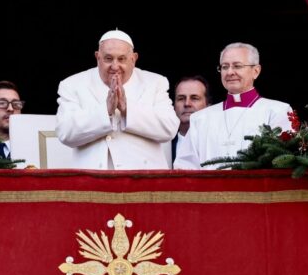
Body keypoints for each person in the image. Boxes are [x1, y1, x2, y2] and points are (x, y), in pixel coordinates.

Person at [56, 29, 179, 170]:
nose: (115, 66)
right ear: (98, 57)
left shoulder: (155, 82)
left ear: (133, 59)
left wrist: (127, 109)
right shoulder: (73, 84)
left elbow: (169, 128)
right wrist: (106, 110)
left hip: (144, 178)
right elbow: (65, 132)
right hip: (92, 178)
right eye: (108, 58)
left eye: (122, 59)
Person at [174, 42, 292, 170]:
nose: (230, 72)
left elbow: (283, 162)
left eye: (237, 66)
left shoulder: (277, 111)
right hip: (209, 189)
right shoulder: (200, 118)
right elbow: (185, 167)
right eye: (224, 67)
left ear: (256, 71)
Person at [172, 75, 211, 161]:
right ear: (174, 107)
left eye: (194, 98)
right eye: (181, 98)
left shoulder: (218, 142)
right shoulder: (161, 146)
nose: (187, 103)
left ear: (208, 106)